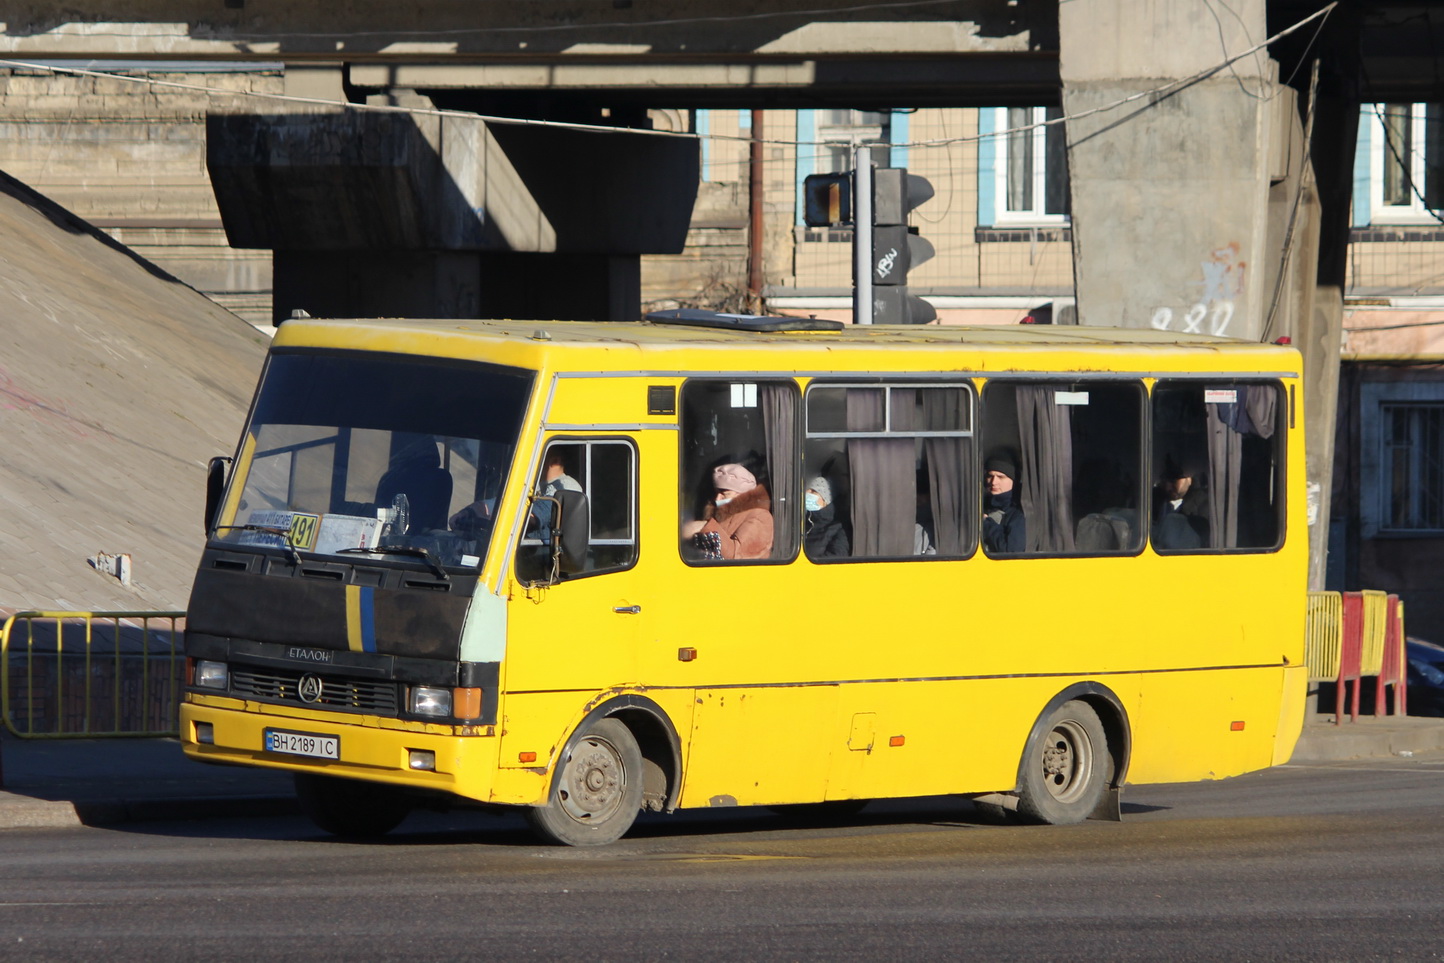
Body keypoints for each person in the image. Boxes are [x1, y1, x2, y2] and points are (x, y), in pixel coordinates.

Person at [681, 462, 773, 560]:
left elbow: (739, 557)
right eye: (717, 493)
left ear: (741, 494)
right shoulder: (718, 514)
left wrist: (704, 527)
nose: (717, 499)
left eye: (725, 494)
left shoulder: (760, 517)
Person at [1152, 457, 1209, 549]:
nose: (1168, 487)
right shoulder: (1152, 500)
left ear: (1189, 479)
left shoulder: (1203, 503)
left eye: (1174, 481)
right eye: (1164, 480)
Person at [982, 454, 1026, 554]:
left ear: (1013, 481)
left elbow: (1011, 552)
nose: (994, 482)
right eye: (990, 476)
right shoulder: (980, 505)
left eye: (1001, 477)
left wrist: (986, 524)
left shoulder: (1018, 513)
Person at [803, 475, 849, 558]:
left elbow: (837, 557)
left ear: (826, 501)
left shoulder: (838, 529)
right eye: (808, 490)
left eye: (813, 491)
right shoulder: (802, 524)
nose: (807, 493)